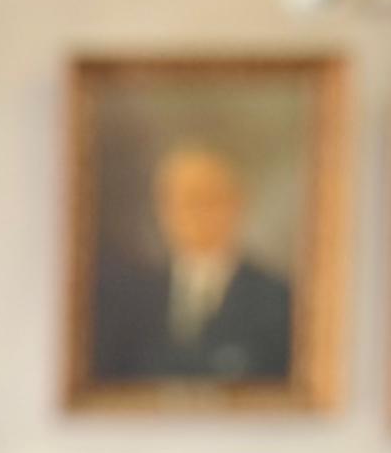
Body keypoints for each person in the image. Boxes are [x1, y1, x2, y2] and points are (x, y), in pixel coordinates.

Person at [90, 140, 296, 387]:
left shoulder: (278, 299)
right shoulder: (129, 298)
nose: (194, 214)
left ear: (237, 204)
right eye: (182, 200)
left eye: (208, 199)